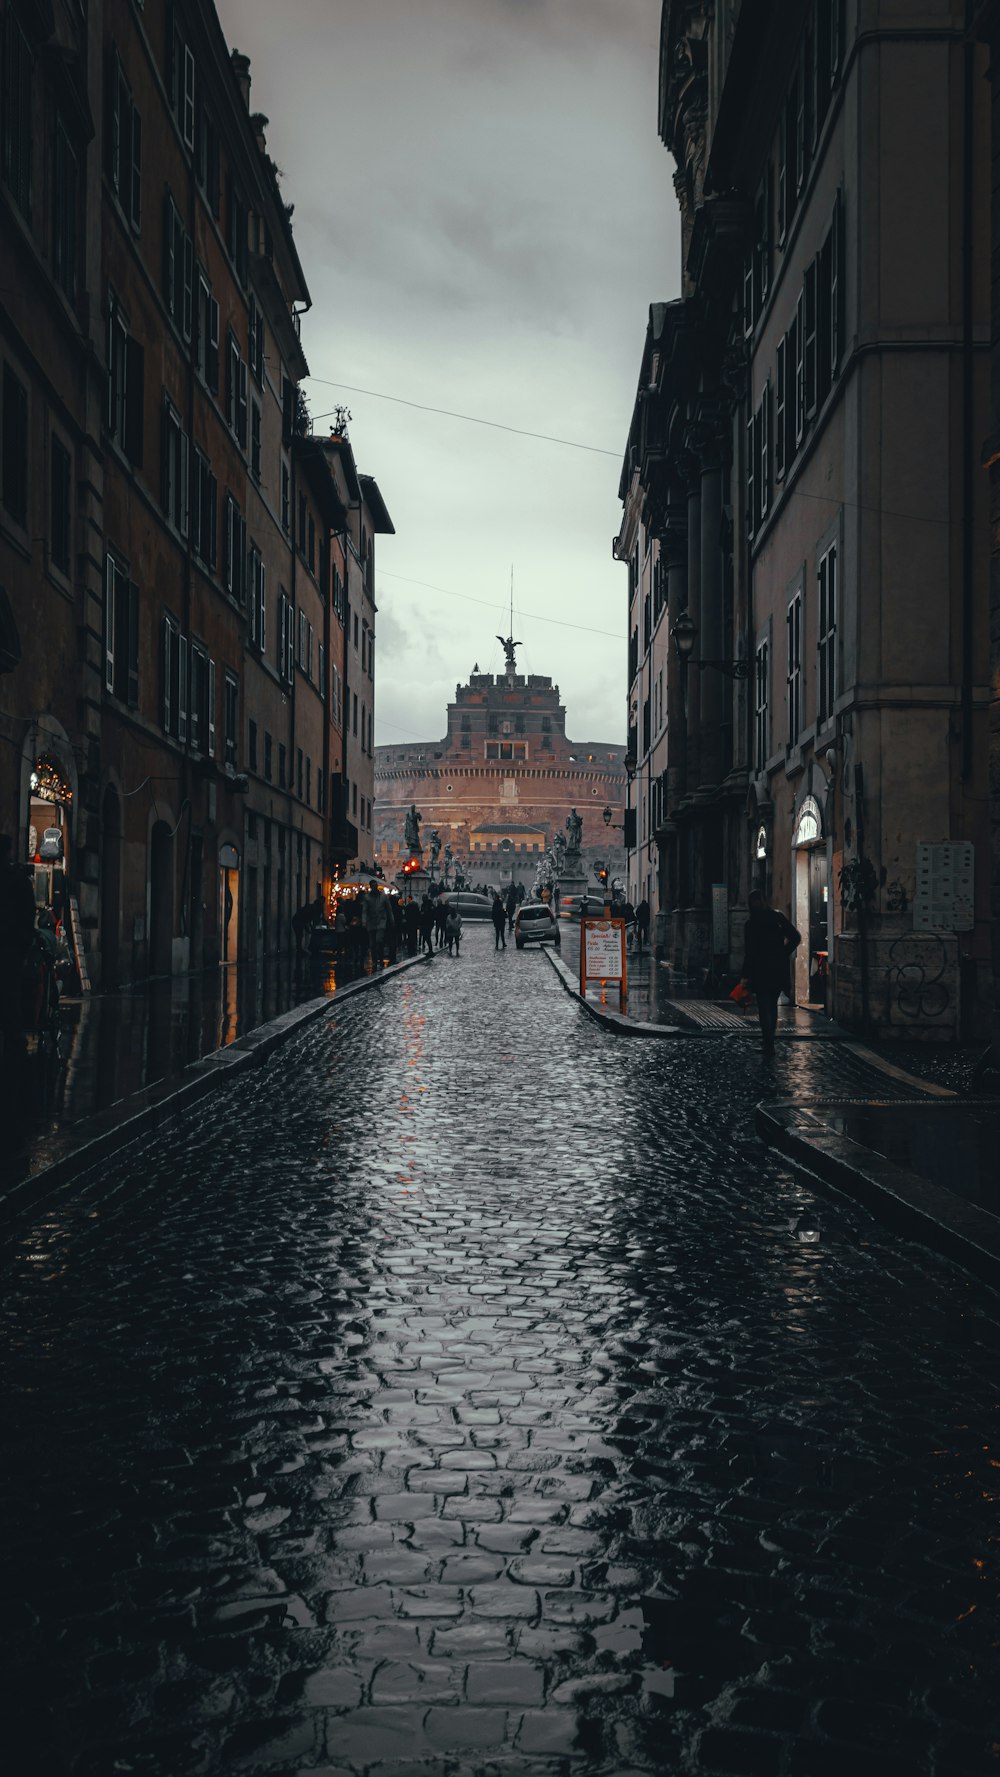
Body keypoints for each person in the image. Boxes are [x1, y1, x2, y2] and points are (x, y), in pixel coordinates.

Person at [740, 889, 801, 1059]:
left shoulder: (751, 924)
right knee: (772, 1006)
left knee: (764, 1007)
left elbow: (750, 953)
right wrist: (783, 953)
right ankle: (770, 1043)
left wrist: (745, 975)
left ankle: (768, 1044)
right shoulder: (777, 918)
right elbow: (795, 937)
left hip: (760, 970)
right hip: (777, 969)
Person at [0, 835, 36, 1052]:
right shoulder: (17, 877)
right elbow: (28, 911)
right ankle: (14, 1036)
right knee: (10, 991)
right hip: (11, 945)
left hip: (11, 943)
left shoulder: (14, 878)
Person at [363, 884, 389, 970]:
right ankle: (374, 960)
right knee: (372, 944)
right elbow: (364, 911)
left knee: (379, 940)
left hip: (381, 922)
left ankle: (380, 958)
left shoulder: (383, 897)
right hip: (371, 922)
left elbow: (389, 909)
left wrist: (391, 920)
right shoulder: (367, 897)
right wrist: (364, 921)